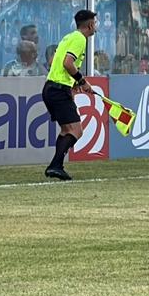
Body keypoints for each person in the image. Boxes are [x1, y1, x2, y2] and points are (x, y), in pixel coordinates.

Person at [41, 10, 97, 180]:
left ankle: (56, 166)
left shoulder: (69, 37)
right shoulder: (80, 39)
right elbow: (68, 63)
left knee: (67, 130)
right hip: (58, 89)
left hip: (52, 88)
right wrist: (82, 81)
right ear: (90, 25)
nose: (96, 26)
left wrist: (72, 88)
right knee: (76, 130)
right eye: (95, 22)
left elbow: (58, 64)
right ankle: (55, 165)